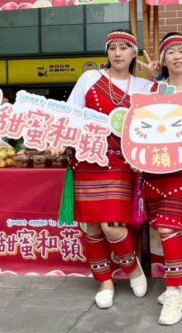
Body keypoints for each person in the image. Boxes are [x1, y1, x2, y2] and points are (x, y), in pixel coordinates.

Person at [66, 29, 152, 309]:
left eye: (124, 48)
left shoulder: (144, 86)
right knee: (92, 227)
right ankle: (105, 282)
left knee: (111, 226)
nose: (117, 53)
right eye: (112, 47)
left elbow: (166, 110)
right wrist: (59, 140)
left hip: (121, 163)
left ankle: (133, 270)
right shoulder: (90, 78)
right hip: (88, 160)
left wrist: (159, 77)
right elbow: (70, 114)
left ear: (133, 54)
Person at [139, 32, 182, 325]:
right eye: (170, 52)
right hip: (154, 169)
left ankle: (173, 292)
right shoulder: (155, 89)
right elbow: (143, 127)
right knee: (165, 229)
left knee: (170, 228)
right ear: (164, 60)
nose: (177, 56)